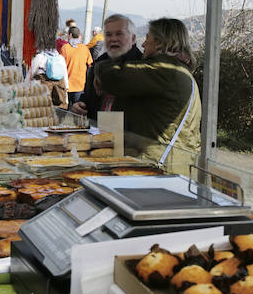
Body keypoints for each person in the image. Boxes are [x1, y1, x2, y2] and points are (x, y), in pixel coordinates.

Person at [93, 18, 201, 174]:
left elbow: (115, 76)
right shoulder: (176, 71)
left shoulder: (164, 70)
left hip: (156, 165)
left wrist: (100, 72)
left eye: (148, 38)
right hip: (171, 163)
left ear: (158, 42)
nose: (143, 44)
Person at [72, 14, 142, 120]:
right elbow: (89, 94)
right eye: (108, 34)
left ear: (133, 38)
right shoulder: (99, 63)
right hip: (97, 129)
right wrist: (81, 103)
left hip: (127, 133)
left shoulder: (142, 66)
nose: (113, 39)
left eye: (119, 34)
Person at [60, 26, 92, 106]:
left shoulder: (65, 48)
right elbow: (90, 64)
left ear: (70, 35)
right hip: (80, 85)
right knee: (77, 113)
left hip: (67, 85)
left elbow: (60, 66)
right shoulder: (85, 48)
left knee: (63, 111)